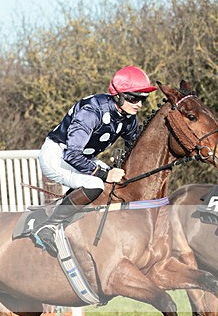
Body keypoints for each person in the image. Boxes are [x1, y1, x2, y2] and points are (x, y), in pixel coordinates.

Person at [33, 66, 157, 255]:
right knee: (95, 183)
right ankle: (48, 226)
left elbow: (135, 147)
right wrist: (106, 173)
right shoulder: (91, 111)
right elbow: (72, 155)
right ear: (119, 95)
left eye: (143, 99)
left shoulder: (128, 118)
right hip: (57, 156)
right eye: (134, 98)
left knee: (120, 182)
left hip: (81, 159)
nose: (139, 104)